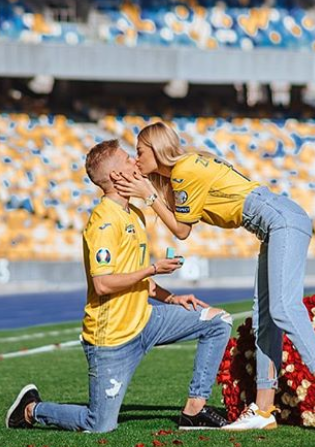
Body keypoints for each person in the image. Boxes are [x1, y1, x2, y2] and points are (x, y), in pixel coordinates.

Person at [111, 122, 315, 433]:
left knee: (283, 308)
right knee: (265, 318)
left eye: (140, 152)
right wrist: (146, 189)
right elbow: (179, 213)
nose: (137, 158)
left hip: (280, 220)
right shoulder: (184, 169)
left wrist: (148, 196)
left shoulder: (184, 170)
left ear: (157, 149)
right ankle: (264, 409)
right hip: (274, 223)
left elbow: (181, 230)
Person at [5, 140, 232, 433]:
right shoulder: (103, 222)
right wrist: (153, 268)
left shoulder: (134, 213)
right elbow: (102, 284)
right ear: (116, 175)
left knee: (218, 321)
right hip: (111, 338)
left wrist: (171, 298)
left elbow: (137, 277)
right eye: (127, 159)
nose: (134, 162)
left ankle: (194, 410)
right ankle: (31, 410)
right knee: (99, 424)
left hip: (146, 320)